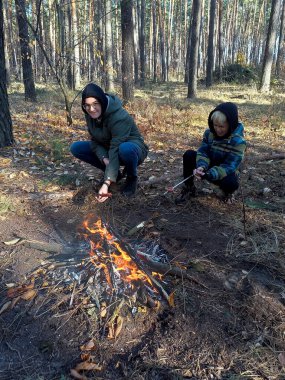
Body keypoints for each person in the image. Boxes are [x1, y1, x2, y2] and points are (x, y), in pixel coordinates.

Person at [70, 83, 149, 202]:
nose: (91, 109)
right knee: (76, 147)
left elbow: (115, 148)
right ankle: (115, 175)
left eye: (95, 104)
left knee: (125, 149)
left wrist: (106, 184)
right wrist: (104, 159)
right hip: (109, 148)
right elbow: (95, 142)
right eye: (87, 105)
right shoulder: (90, 114)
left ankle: (132, 178)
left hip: (132, 149)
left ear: (102, 101)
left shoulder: (119, 117)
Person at [176, 102, 246, 204]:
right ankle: (189, 187)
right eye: (215, 125)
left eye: (222, 126)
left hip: (224, 172)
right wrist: (201, 167)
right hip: (209, 166)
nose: (218, 129)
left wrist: (209, 174)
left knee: (231, 183)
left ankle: (228, 193)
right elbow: (203, 151)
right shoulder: (209, 133)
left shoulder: (239, 142)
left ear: (230, 124)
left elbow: (229, 166)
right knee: (189, 154)